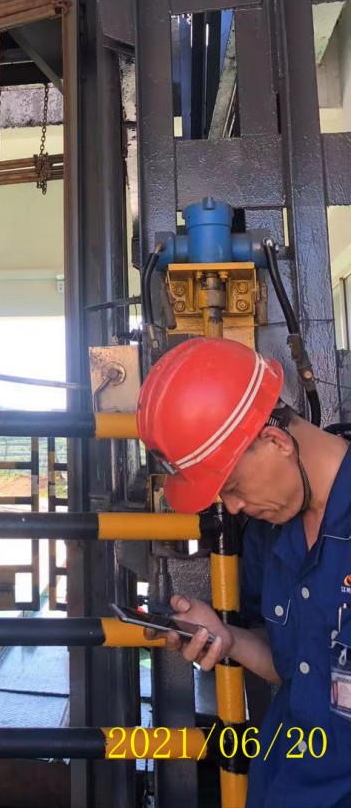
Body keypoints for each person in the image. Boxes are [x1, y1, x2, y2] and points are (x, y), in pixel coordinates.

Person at [136, 337, 351, 807]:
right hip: (283, 784)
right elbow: (294, 667)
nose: (232, 507)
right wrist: (228, 639)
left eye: (231, 486)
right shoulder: (268, 536)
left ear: (275, 441)